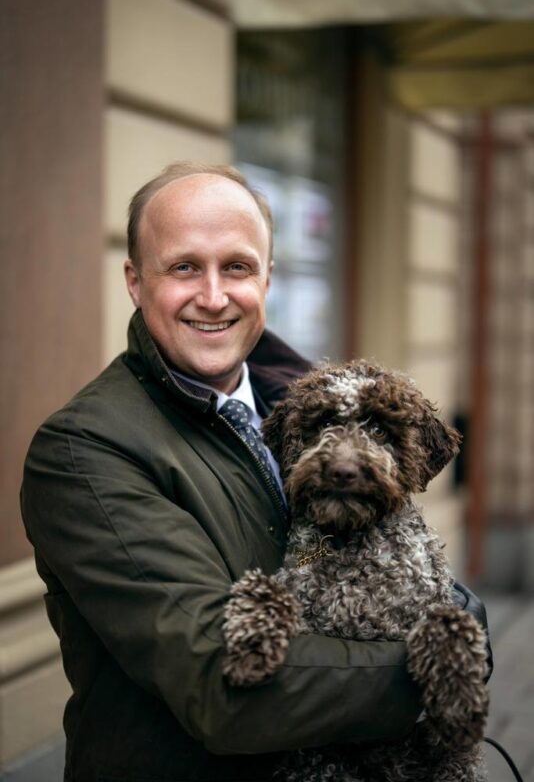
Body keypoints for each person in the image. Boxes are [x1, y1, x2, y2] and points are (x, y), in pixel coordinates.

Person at [21, 162, 490, 782]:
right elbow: (222, 686)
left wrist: (455, 622)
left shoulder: (301, 405)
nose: (213, 296)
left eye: (237, 267)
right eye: (184, 267)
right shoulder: (84, 451)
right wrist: (446, 667)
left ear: (267, 277)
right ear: (135, 281)